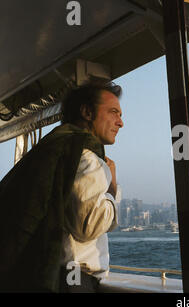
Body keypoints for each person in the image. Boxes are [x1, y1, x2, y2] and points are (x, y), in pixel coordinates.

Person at [0, 81, 124, 292]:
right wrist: (112, 189)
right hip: (73, 278)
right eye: (114, 112)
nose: (120, 122)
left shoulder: (51, 148)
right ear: (87, 112)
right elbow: (89, 225)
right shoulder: (84, 155)